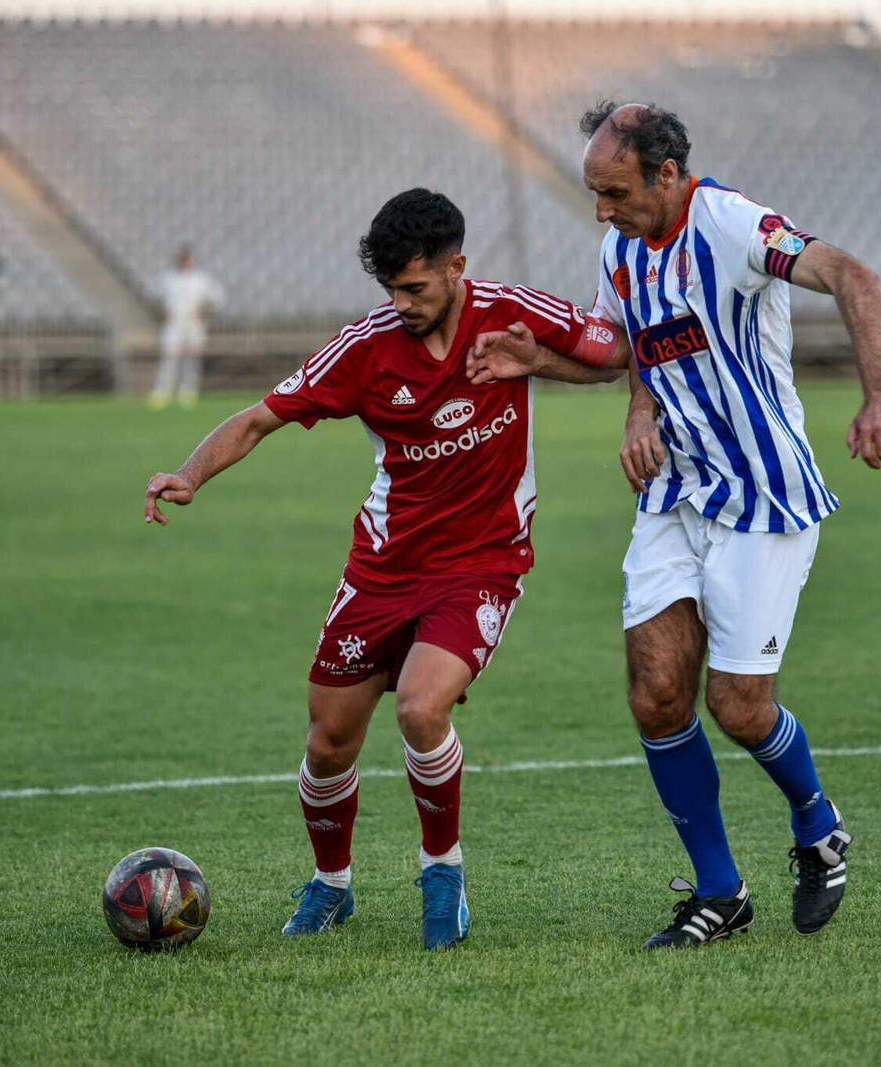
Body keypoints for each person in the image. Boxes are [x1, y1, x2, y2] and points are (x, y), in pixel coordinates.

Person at [467, 102, 881, 949]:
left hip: (762, 495)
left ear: (667, 174)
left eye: (615, 192)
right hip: (675, 492)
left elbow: (854, 276)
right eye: (595, 193)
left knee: (738, 706)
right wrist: (547, 364)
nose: (602, 210)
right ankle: (719, 890)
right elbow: (627, 349)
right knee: (656, 693)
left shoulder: (732, 225)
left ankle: (819, 826)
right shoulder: (621, 248)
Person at [142, 189, 622, 949]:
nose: (401, 303)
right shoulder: (365, 348)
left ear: (457, 268)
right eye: (391, 288)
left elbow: (614, 352)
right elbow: (261, 417)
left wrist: (538, 361)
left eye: (415, 287)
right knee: (328, 741)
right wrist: (190, 474)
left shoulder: (512, 312)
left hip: (483, 562)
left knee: (421, 709)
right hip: (383, 570)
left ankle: (443, 875)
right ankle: (331, 886)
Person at [148, 246, 225, 410]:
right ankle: (163, 392)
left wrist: (203, 311)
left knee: (192, 358)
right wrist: (162, 311)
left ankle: (188, 392)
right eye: (183, 259)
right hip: (173, 323)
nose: (185, 262)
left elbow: (218, 297)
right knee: (169, 356)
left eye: (187, 259)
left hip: (193, 324)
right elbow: (151, 294)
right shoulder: (168, 278)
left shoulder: (200, 279)